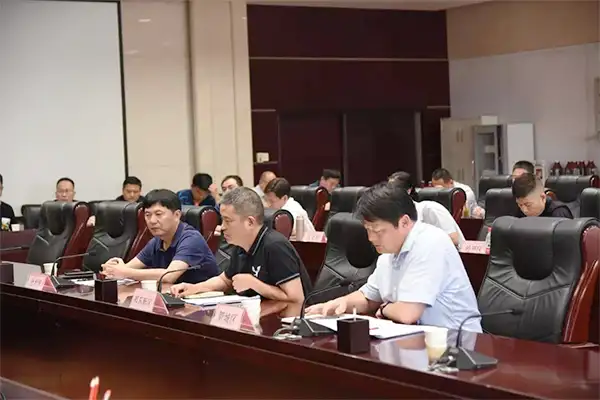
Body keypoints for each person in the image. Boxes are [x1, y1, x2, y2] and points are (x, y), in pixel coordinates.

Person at [306, 183, 481, 332]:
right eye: (368, 230)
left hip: (457, 343)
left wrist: (384, 309)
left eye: (378, 231)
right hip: (415, 340)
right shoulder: (389, 253)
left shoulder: (430, 242)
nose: (371, 238)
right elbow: (369, 298)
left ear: (404, 222)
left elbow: (407, 313)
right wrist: (337, 304)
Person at [170, 187, 311, 302]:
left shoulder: (275, 246)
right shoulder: (240, 246)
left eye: (228, 221)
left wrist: (255, 284)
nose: (222, 227)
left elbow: (296, 298)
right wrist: (194, 288)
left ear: (250, 222)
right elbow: (225, 280)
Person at [101, 189, 218, 283]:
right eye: (147, 215)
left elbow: (169, 275)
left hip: (204, 301)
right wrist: (113, 268)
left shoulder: (191, 238)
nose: (152, 221)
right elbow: (128, 267)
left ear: (177, 215)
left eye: (158, 214)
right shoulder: (157, 241)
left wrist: (124, 272)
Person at [389, 171, 465, 247]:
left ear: (408, 190)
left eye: (395, 190)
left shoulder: (431, 208)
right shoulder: (395, 216)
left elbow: (454, 239)